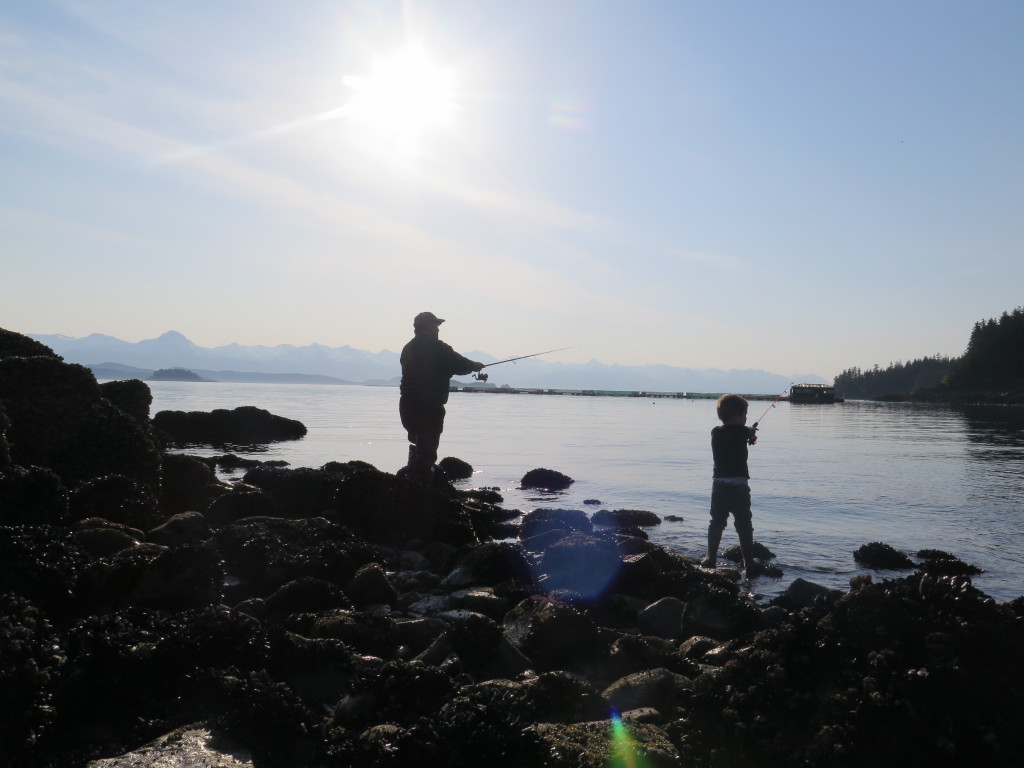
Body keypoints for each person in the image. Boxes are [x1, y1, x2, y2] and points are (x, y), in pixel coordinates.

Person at [399, 312, 484, 482]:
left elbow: (429, 368)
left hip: (407, 405)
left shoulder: (408, 348)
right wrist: (475, 366)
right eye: (436, 325)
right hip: (428, 406)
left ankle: (411, 479)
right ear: (429, 327)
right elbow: (460, 364)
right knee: (427, 449)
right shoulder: (437, 347)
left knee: (418, 442)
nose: (438, 329)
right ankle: (421, 489)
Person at [701, 393, 761, 577]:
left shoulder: (715, 432)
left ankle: (710, 557)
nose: (746, 419)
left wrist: (747, 434)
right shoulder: (743, 432)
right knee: (744, 525)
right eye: (744, 415)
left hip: (719, 486)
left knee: (716, 522)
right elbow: (746, 431)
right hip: (739, 487)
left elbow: (738, 433)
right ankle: (748, 562)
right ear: (737, 415)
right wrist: (751, 433)